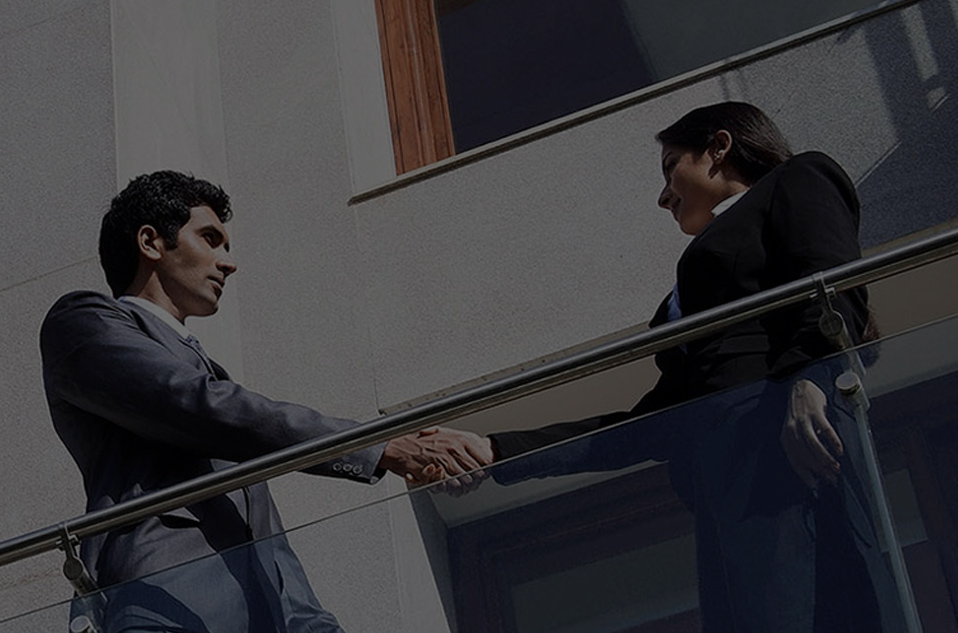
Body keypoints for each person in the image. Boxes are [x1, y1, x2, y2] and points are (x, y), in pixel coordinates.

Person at [487, 102, 904, 632]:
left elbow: (832, 279)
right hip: (726, 491)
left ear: (719, 148)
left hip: (791, 450)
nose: (663, 196)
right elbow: (647, 425)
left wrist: (809, 378)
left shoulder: (797, 178)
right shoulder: (682, 300)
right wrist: (497, 451)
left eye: (670, 167)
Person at [40, 170, 494, 633]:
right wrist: (382, 447)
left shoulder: (221, 394)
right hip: (164, 610)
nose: (228, 263)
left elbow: (271, 548)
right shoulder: (82, 323)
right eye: (210, 239)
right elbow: (193, 403)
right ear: (151, 242)